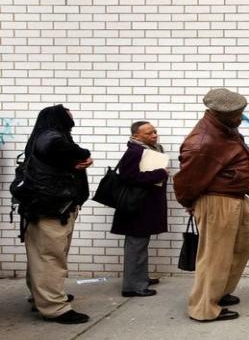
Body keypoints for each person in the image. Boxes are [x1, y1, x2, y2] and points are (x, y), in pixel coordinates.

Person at [173, 88, 249, 322]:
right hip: (218, 200)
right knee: (215, 256)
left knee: (242, 246)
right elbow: (186, 181)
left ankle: (218, 293)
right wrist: (191, 204)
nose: (241, 116)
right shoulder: (203, 140)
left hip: (236, 198)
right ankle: (203, 308)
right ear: (222, 113)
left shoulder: (225, 130)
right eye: (238, 113)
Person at [16, 105, 93, 324]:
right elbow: (65, 150)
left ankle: (42, 297)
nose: (71, 115)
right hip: (51, 209)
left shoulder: (45, 135)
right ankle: (54, 307)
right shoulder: (51, 136)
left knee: (42, 256)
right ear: (57, 117)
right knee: (50, 257)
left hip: (50, 207)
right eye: (67, 112)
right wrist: (84, 156)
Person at [110, 121, 168, 297]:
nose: (154, 135)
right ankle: (133, 286)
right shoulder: (135, 151)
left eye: (155, 132)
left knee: (140, 244)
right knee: (136, 246)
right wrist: (160, 174)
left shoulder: (150, 150)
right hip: (136, 207)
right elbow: (129, 177)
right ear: (136, 136)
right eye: (149, 133)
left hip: (143, 205)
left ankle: (140, 277)